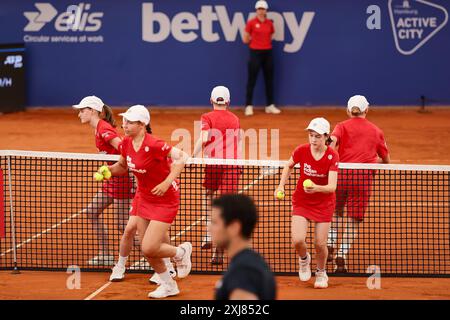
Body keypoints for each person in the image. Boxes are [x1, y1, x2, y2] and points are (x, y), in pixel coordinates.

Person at [104, 105, 192, 298]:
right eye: (124, 121)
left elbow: (182, 157)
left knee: (149, 247)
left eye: (129, 122)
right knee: (149, 251)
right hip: (144, 198)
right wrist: (108, 171)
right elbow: (121, 166)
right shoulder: (126, 143)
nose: (124, 125)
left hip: (165, 199)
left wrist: (166, 182)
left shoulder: (155, 144)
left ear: (142, 124)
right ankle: (169, 286)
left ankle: (181, 252)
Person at [327, 95, 390, 273]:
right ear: (366, 110)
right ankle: (342, 253)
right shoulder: (377, 131)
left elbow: (330, 146)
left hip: (340, 176)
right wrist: (371, 162)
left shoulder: (341, 126)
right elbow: (386, 160)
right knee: (353, 220)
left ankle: (331, 242)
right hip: (362, 179)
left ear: (348, 111)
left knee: (336, 211)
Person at [275, 118, 339, 289]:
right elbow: (288, 166)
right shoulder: (301, 151)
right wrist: (281, 185)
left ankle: (321, 272)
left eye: (317, 136)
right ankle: (304, 259)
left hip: (324, 203)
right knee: (297, 240)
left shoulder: (332, 156)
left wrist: (316, 188)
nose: (313, 139)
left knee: (320, 243)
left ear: (326, 137)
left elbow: (332, 187)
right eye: (311, 135)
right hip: (302, 201)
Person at [73, 95, 134, 266]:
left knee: (123, 225)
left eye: (82, 111)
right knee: (92, 212)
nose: (79, 114)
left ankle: (150, 255)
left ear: (92, 111)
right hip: (111, 179)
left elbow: (125, 149)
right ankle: (106, 254)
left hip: (122, 180)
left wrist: (123, 169)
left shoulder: (104, 129)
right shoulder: (98, 128)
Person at [192, 86, 241, 265]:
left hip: (213, 165)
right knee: (224, 206)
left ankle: (209, 234)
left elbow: (204, 138)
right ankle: (218, 247)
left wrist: (193, 156)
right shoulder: (235, 119)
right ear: (228, 102)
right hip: (232, 165)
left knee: (209, 197)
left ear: (211, 100)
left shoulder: (207, 117)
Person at [213, 194, 276, 300]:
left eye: (214, 223)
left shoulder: (243, 271)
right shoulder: (250, 262)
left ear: (234, 227)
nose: (209, 228)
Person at [243, 0, 281, 116]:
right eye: (259, 9)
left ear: (266, 11)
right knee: (252, 80)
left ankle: (270, 105)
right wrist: (254, 42)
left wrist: (264, 44)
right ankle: (248, 106)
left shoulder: (269, 23)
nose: (261, 11)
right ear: (256, 10)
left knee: (269, 80)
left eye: (263, 9)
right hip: (255, 53)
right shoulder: (251, 23)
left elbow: (271, 35)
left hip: (268, 53)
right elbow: (245, 38)